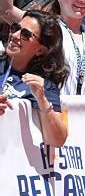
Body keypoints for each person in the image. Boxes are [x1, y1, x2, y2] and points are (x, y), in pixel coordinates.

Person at [0, 9, 68, 147]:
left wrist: (42, 100)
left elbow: (57, 141)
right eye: (15, 28)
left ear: (41, 50)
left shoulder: (42, 85)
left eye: (26, 34)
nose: (15, 35)